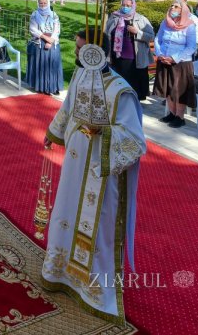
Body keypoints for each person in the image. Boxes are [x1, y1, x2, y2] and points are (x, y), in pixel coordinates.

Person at [41, 46, 144, 325]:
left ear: (98, 51)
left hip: (101, 170)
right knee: (67, 212)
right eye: (75, 46)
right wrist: (53, 131)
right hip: (75, 164)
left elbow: (134, 139)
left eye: (80, 46)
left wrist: (104, 131)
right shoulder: (80, 75)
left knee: (98, 227)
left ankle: (95, 288)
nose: (75, 51)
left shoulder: (121, 91)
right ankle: (60, 272)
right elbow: (68, 107)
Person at [153, 0, 198, 128]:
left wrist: (174, 58)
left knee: (178, 90)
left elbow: (191, 47)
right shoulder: (165, 23)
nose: (172, 8)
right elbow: (158, 39)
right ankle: (172, 114)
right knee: (167, 88)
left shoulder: (190, 26)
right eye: (171, 6)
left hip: (181, 63)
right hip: (164, 60)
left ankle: (180, 117)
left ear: (182, 10)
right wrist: (160, 54)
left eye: (176, 7)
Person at [104, 0, 155, 103]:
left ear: (133, 6)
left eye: (128, 6)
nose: (125, 7)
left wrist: (137, 32)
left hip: (134, 59)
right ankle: (119, 102)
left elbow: (151, 37)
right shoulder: (114, 17)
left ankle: (132, 104)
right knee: (118, 83)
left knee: (132, 85)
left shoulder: (141, 19)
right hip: (116, 57)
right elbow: (106, 34)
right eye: (124, 5)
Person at [26, 0, 62, 95]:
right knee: (42, 65)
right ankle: (42, 87)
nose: (43, 5)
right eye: (41, 3)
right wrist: (46, 39)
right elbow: (33, 29)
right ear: (38, 3)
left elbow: (57, 29)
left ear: (48, 3)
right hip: (40, 42)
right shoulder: (34, 14)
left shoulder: (54, 15)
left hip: (53, 41)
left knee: (53, 65)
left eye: (45, 3)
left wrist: (51, 40)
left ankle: (54, 86)